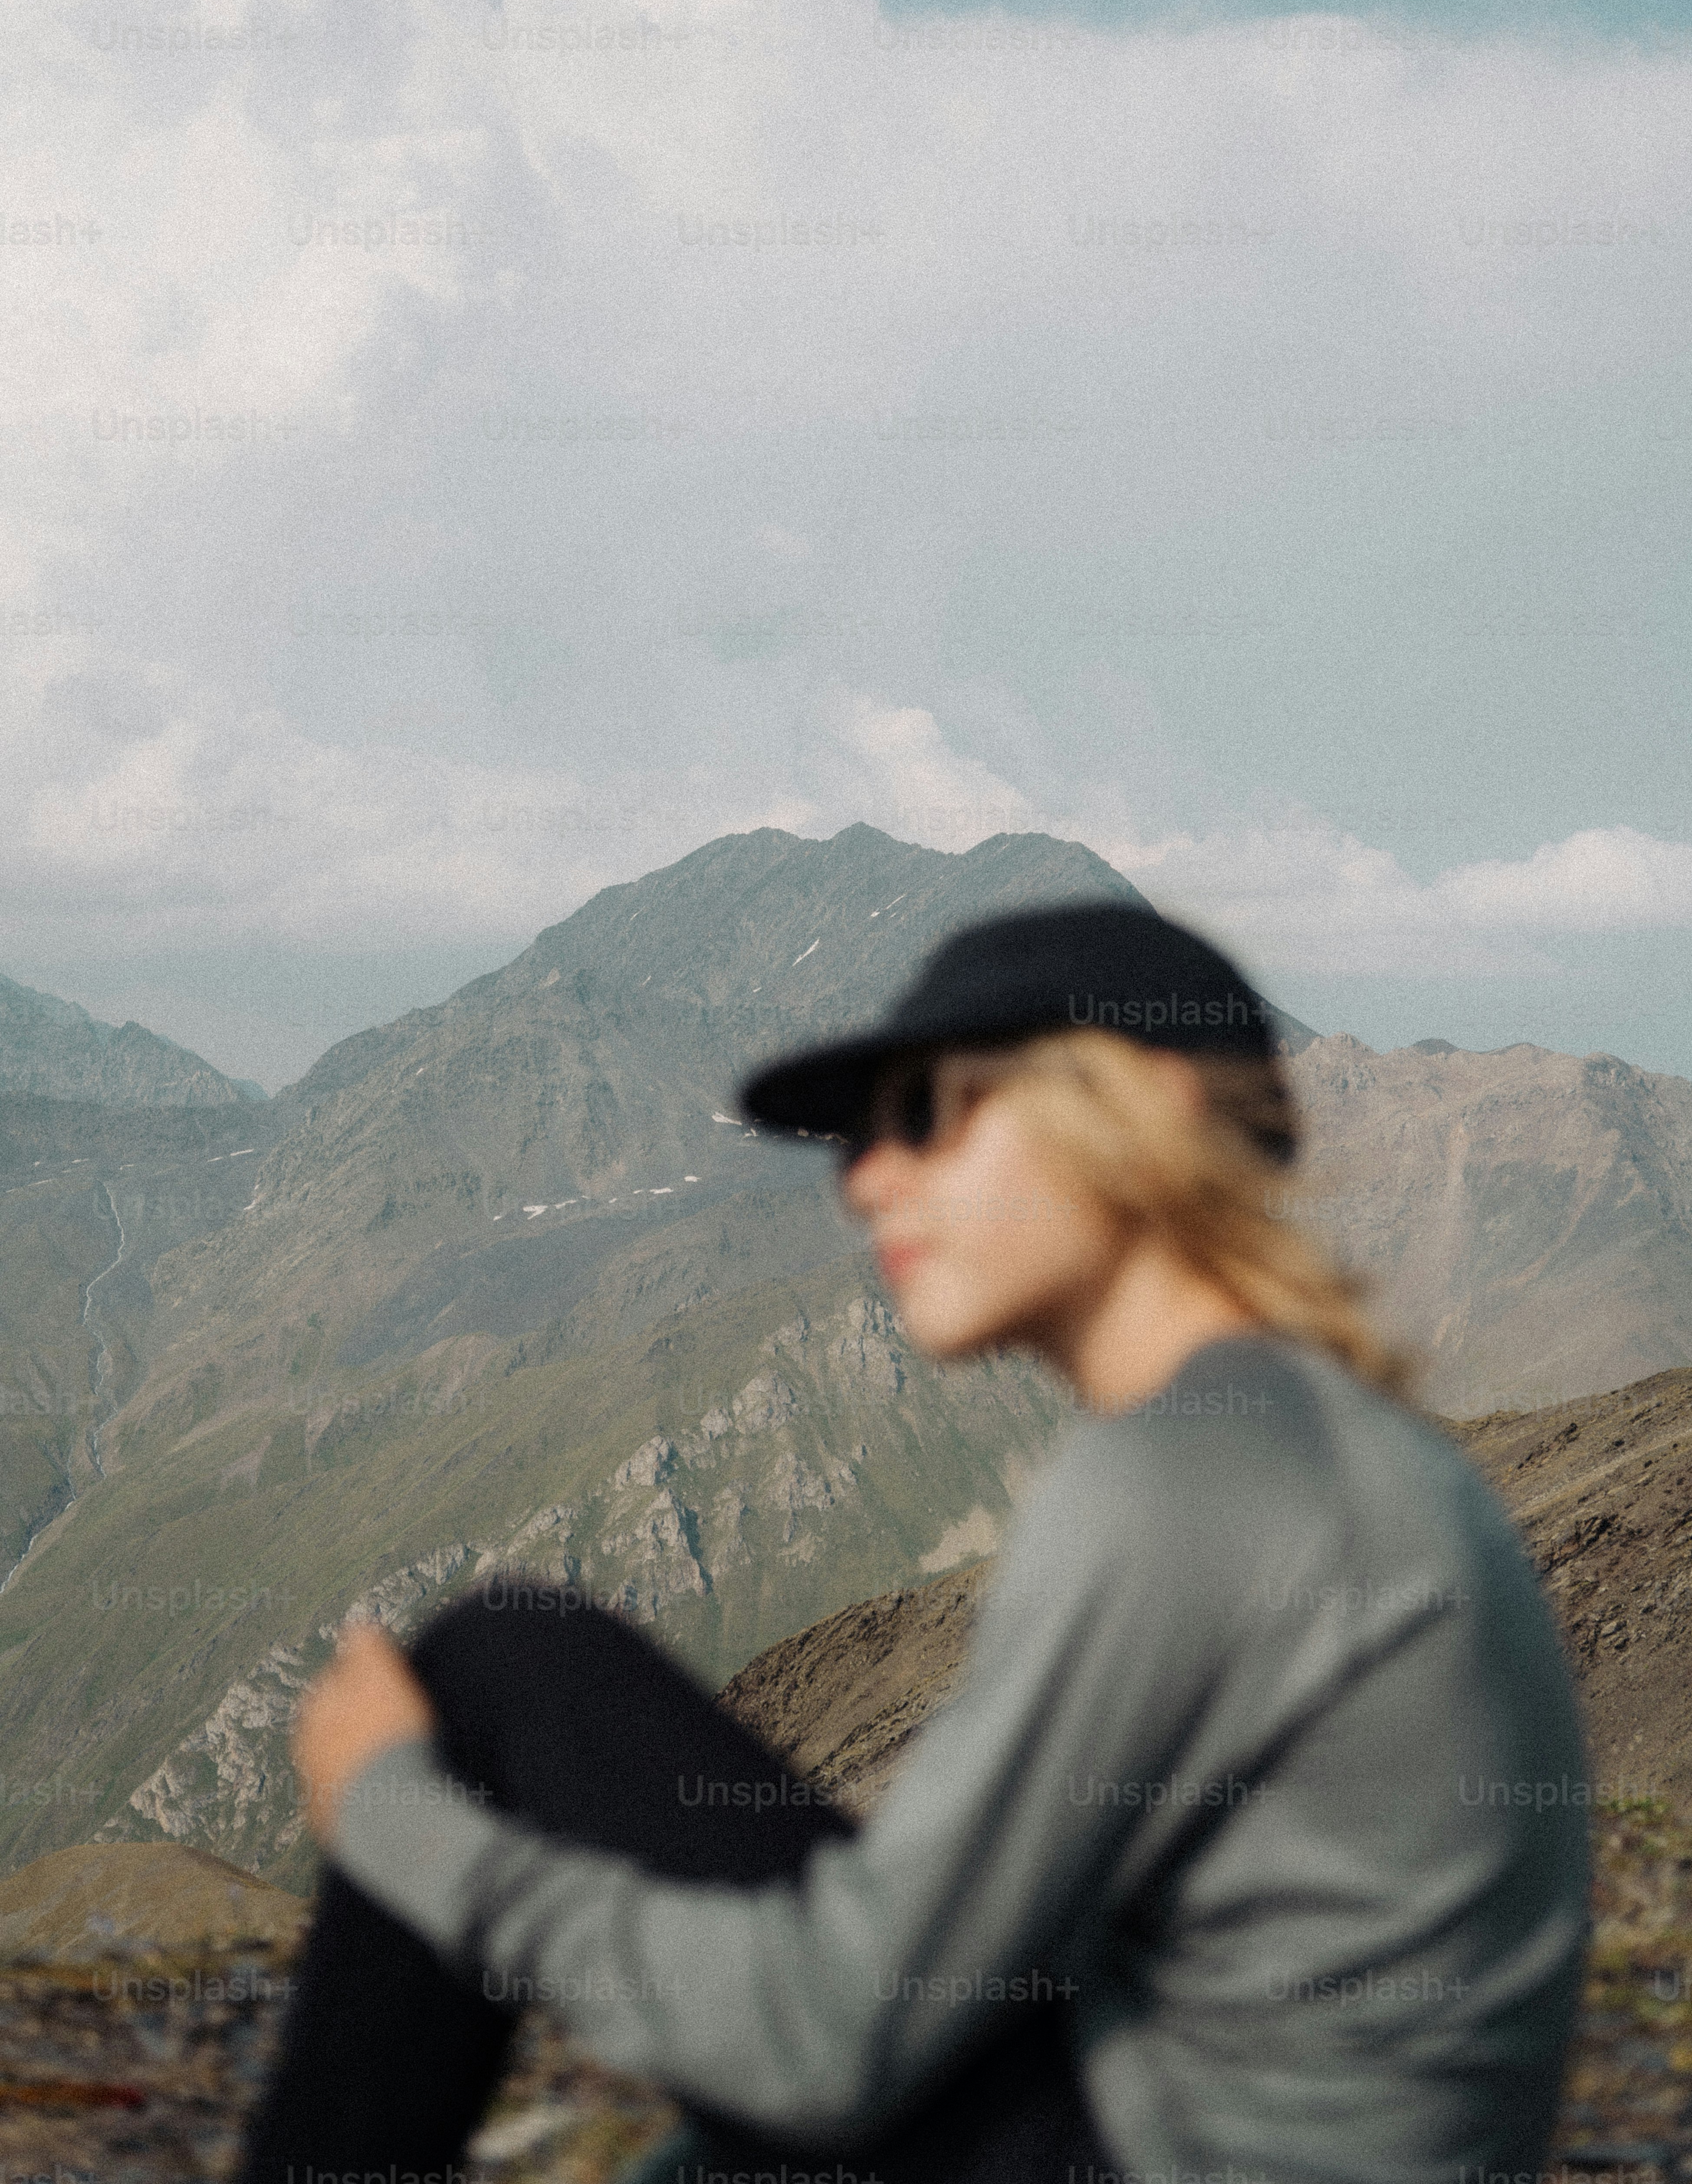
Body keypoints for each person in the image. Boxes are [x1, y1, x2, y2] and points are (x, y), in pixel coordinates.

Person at [240, 901, 1591, 2184]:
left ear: (1146, 1102)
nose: (866, 1179)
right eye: (850, 1139)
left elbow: (829, 2045)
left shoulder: (1183, 1482)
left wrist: (393, 1817)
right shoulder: (1332, 1445)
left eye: (922, 1112)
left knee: (502, 1669)